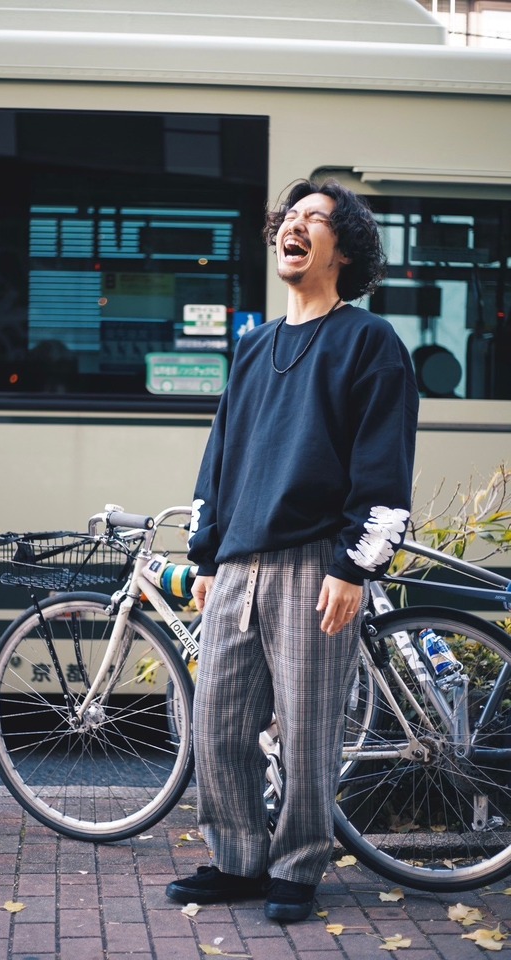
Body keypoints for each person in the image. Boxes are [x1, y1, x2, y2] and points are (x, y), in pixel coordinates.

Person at [165, 178, 419, 923]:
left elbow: (384, 466)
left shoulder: (369, 341)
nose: (294, 226)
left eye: (315, 218)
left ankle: (298, 867)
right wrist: (206, 556)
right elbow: (221, 459)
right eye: (290, 217)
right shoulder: (254, 347)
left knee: (308, 732)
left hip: (316, 563)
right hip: (238, 566)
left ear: (345, 251)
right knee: (217, 725)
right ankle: (238, 860)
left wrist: (354, 567)